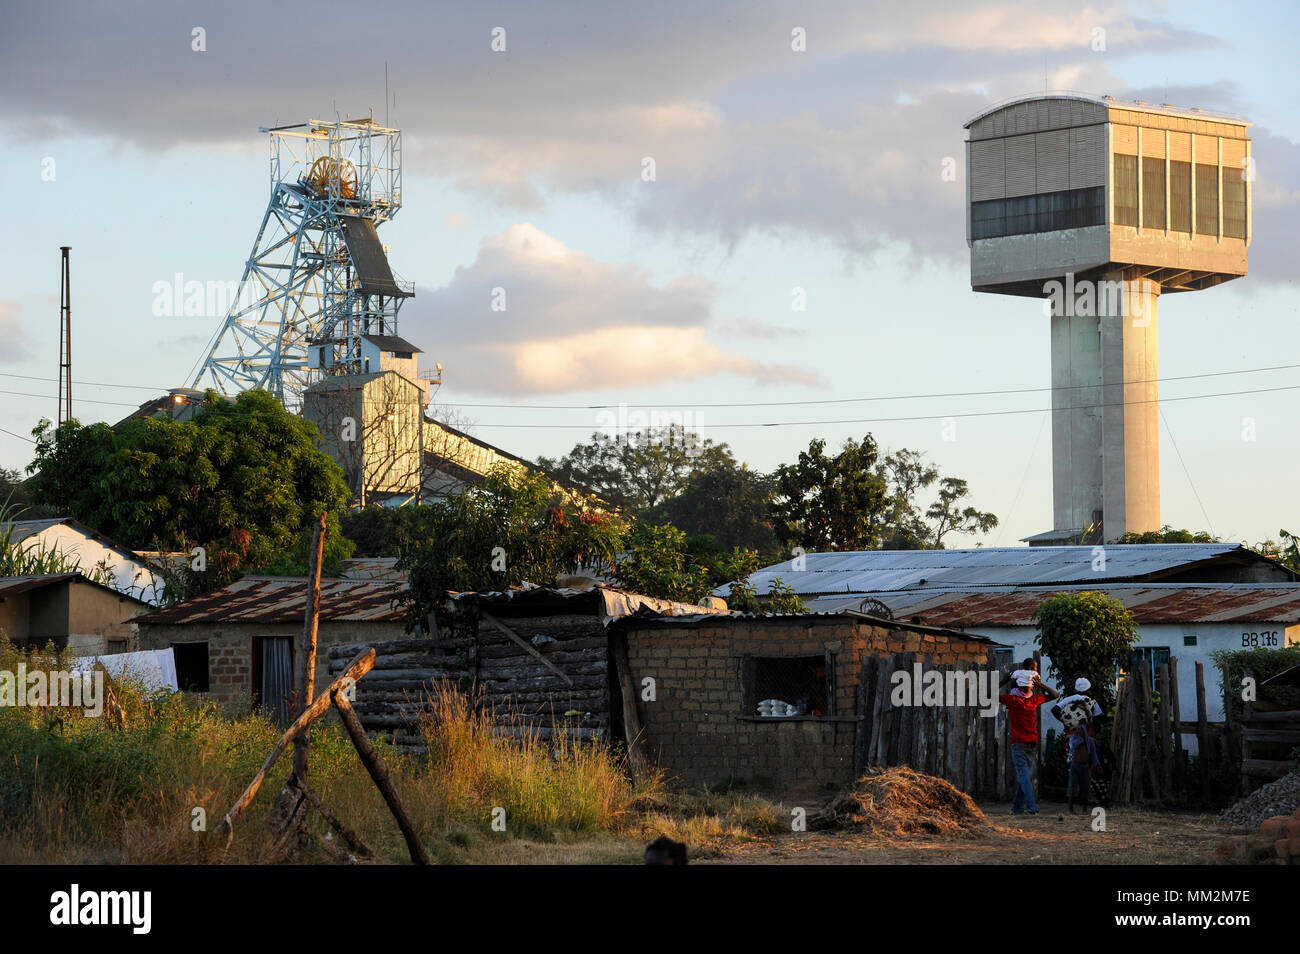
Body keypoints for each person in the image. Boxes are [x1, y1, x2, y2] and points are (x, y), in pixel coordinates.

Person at [999, 670, 1058, 815]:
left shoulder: (1012, 700)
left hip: (1018, 744)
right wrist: (1041, 685)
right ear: (1032, 687)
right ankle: (1018, 808)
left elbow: (988, 695)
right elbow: (1055, 695)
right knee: (1025, 776)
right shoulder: (1034, 700)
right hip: (1032, 744)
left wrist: (1004, 681)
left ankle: (1030, 806)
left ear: (1018, 687)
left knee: (1024, 776)